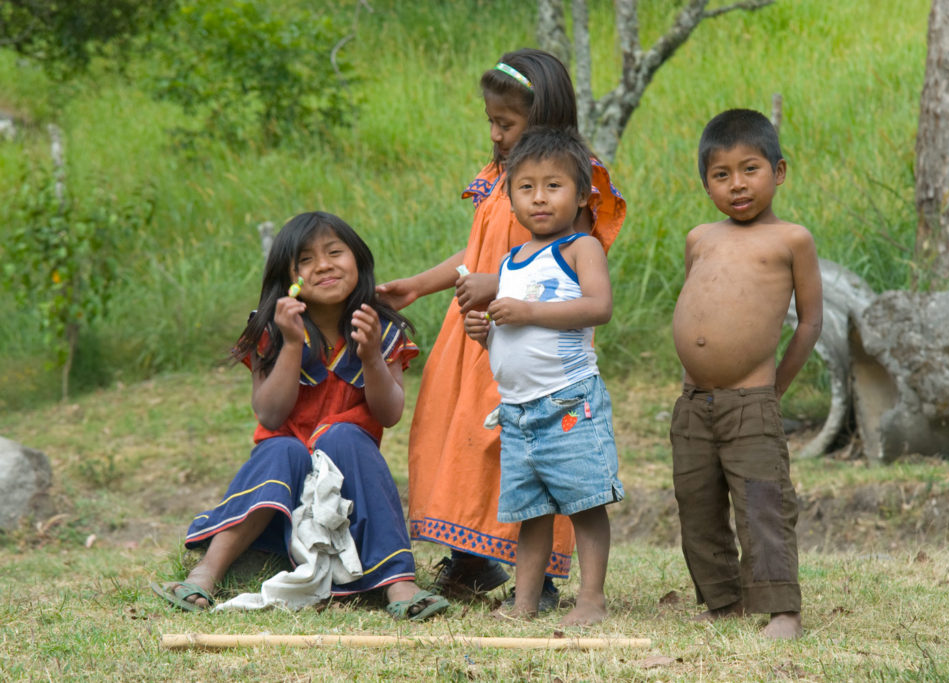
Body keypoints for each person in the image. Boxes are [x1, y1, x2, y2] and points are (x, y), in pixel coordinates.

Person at [377, 48, 626, 607]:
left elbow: (564, 266)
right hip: (476, 336)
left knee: (518, 450)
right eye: (490, 120)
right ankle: (473, 561)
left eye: (505, 123)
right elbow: (478, 250)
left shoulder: (566, 182)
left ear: (540, 121)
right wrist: (418, 284)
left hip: (531, 344)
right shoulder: (502, 176)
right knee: (465, 443)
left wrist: (501, 289)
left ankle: (543, 580)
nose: (494, 133)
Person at [151, 211, 448, 621]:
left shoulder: (381, 328)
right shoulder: (270, 330)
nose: (323, 265)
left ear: (359, 261)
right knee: (283, 449)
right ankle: (207, 573)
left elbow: (390, 413)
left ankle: (400, 582)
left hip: (347, 488)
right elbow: (271, 415)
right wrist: (292, 345)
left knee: (344, 435)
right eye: (305, 260)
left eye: (335, 252)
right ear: (287, 279)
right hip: (282, 493)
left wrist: (371, 357)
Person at [671, 109, 823, 639]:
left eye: (750, 169)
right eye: (721, 174)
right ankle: (722, 600)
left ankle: (783, 610)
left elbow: (809, 323)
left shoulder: (791, 240)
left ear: (778, 172)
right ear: (706, 183)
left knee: (763, 502)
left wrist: (775, 387)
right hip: (694, 402)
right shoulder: (699, 238)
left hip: (751, 401)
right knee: (696, 502)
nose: (737, 184)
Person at [465, 126, 623, 626]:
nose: (539, 198)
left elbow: (598, 307)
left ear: (581, 195)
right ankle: (524, 603)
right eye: (526, 187)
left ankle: (591, 599)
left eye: (553, 186)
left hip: (568, 401)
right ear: (509, 198)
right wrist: (483, 333)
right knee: (530, 511)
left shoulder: (582, 248)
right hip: (518, 410)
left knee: (585, 502)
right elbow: (514, 337)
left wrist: (527, 311)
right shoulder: (511, 262)